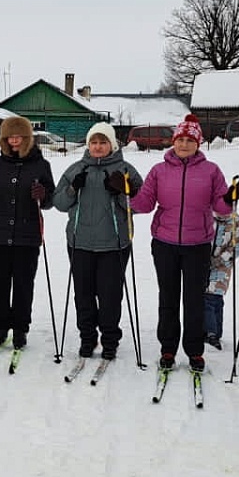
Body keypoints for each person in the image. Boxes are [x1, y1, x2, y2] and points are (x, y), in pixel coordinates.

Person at [129, 114, 239, 372]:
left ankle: (195, 351)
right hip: (165, 243)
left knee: (194, 300)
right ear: (173, 142)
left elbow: (220, 206)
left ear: (198, 142)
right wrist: (126, 193)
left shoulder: (211, 171)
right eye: (180, 139)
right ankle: (168, 348)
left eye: (189, 140)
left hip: (198, 245)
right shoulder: (159, 171)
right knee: (168, 298)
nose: (183, 144)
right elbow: (144, 204)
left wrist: (230, 197)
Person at [52, 122, 141, 359]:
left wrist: (122, 191)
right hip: (80, 243)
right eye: (94, 142)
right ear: (88, 144)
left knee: (110, 295)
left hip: (114, 244)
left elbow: (139, 205)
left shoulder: (125, 170)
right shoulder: (75, 169)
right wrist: (72, 189)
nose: (98, 147)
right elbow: (59, 203)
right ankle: (87, 338)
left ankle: (110, 339)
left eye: (103, 142)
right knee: (83, 294)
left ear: (112, 145)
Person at [0, 114, 55, 349]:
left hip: (27, 236)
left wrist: (43, 194)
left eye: (18, 137)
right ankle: (0, 326)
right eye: (9, 137)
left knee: (24, 285)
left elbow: (50, 199)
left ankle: (20, 328)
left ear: (27, 138)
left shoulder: (40, 165)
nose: (14, 141)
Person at [203, 209, 239, 351]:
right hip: (201, 263)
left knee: (213, 297)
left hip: (222, 267)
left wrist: (222, 259)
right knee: (203, 297)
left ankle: (212, 332)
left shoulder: (234, 220)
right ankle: (207, 330)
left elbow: (237, 244)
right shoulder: (205, 213)